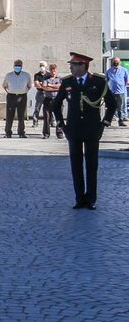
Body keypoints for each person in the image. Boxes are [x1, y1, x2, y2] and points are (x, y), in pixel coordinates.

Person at [52, 53, 117, 209]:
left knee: (92, 165)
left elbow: (112, 103)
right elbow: (56, 104)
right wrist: (62, 124)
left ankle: (91, 199)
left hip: (92, 129)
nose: (71, 67)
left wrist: (104, 123)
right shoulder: (67, 81)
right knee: (76, 165)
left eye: (73, 65)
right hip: (73, 130)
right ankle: (79, 198)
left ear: (82, 66)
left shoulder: (98, 81)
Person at [2, 59, 32, 138]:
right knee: (9, 115)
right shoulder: (9, 75)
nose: (17, 67)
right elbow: (4, 85)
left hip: (22, 96)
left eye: (19, 65)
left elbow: (29, 85)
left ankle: (21, 132)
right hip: (11, 96)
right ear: (13, 66)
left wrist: (23, 91)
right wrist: (10, 91)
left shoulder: (26, 75)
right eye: (16, 65)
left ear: (22, 66)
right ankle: (8, 133)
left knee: (21, 115)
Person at [104, 57, 128, 127]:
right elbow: (106, 80)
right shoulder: (109, 71)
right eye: (114, 61)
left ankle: (121, 120)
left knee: (120, 107)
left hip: (120, 91)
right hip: (111, 92)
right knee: (111, 107)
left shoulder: (124, 70)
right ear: (112, 62)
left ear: (120, 62)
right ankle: (109, 121)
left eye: (117, 61)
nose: (116, 63)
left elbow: (126, 80)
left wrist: (121, 85)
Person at [42, 64, 62, 139]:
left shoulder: (60, 78)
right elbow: (45, 88)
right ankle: (46, 134)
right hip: (48, 99)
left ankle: (59, 133)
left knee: (59, 117)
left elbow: (61, 87)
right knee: (47, 117)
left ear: (56, 70)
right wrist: (56, 87)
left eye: (54, 70)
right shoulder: (45, 78)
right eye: (51, 70)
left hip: (57, 99)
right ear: (49, 70)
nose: (53, 71)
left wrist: (50, 85)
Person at [32, 61, 49, 128]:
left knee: (49, 108)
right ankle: (35, 122)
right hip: (40, 93)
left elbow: (51, 83)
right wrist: (45, 85)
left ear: (46, 66)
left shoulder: (49, 74)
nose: (42, 67)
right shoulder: (37, 75)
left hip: (48, 93)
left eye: (43, 65)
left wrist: (42, 84)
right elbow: (37, 84)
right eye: (40, 66)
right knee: (37, 108)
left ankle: (52, 121)